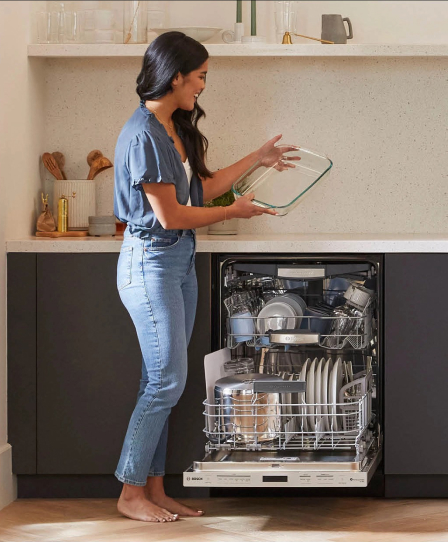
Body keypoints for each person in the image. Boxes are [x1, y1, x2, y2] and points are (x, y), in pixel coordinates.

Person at [112, 31, 294, 522]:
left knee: (160, 380)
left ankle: (153, 488)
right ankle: (130, 493)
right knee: (167, 381)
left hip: (177, 262)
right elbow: (171, 215)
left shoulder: (172, 127)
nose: (203, 87)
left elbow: (203, 188)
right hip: (149, 262)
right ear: (175, 76)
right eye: (200, 77)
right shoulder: (144, 134)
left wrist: (257, 159)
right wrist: (234, 211)